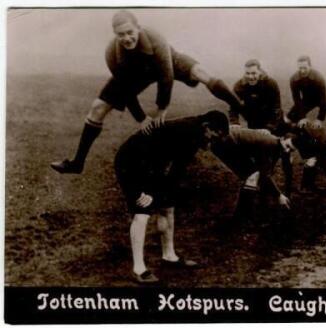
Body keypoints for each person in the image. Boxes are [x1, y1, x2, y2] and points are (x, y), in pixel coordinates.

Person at [51, 10, 241, 174]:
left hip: (167, 62)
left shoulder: (156, 39)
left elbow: (166, 76)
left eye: (130, 32)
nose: (126, 38)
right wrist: (142, 118)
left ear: (138, 28)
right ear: (115, 35)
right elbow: (125, 89)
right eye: (120, 34)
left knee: (201, 72)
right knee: (97, 108)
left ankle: (240, 105)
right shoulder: (112, 54)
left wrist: (161, 109)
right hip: (136, 73)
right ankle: (77, 163)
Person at [114, 110, 229, 283]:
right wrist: (143, 191)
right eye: (212, 137)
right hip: (131, 162)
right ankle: (138, 269)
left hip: (152, 163)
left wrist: (167, 192)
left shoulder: (196, 134)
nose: (211, 144)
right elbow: (153, 158)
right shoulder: (185, 130)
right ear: (206, 127)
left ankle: (169, 255)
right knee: (143, 209)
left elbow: (177, 168)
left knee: (168, 207)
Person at [211, 126, 295, 223]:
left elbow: (267, 171)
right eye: (287, 146)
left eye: (291, 150)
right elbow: (265, 173)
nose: (287, 151)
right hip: (225, 143)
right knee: (252, 176)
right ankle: (240, 218)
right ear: (282, 139)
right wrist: (278, 195)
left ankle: (243, 216)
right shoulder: (270, 144)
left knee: (252, 175)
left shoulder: (276, 145)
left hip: (229, 141)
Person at [229, 59, 283, 132]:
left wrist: (270, 128)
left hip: (273, 121)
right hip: (253, 121)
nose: (250, 77)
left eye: (254, 73)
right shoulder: (239, 86)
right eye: (247, 73)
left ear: (259, 72)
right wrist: (234, 122)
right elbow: (233, 105)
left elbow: (276, 108)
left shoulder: (270, 84)